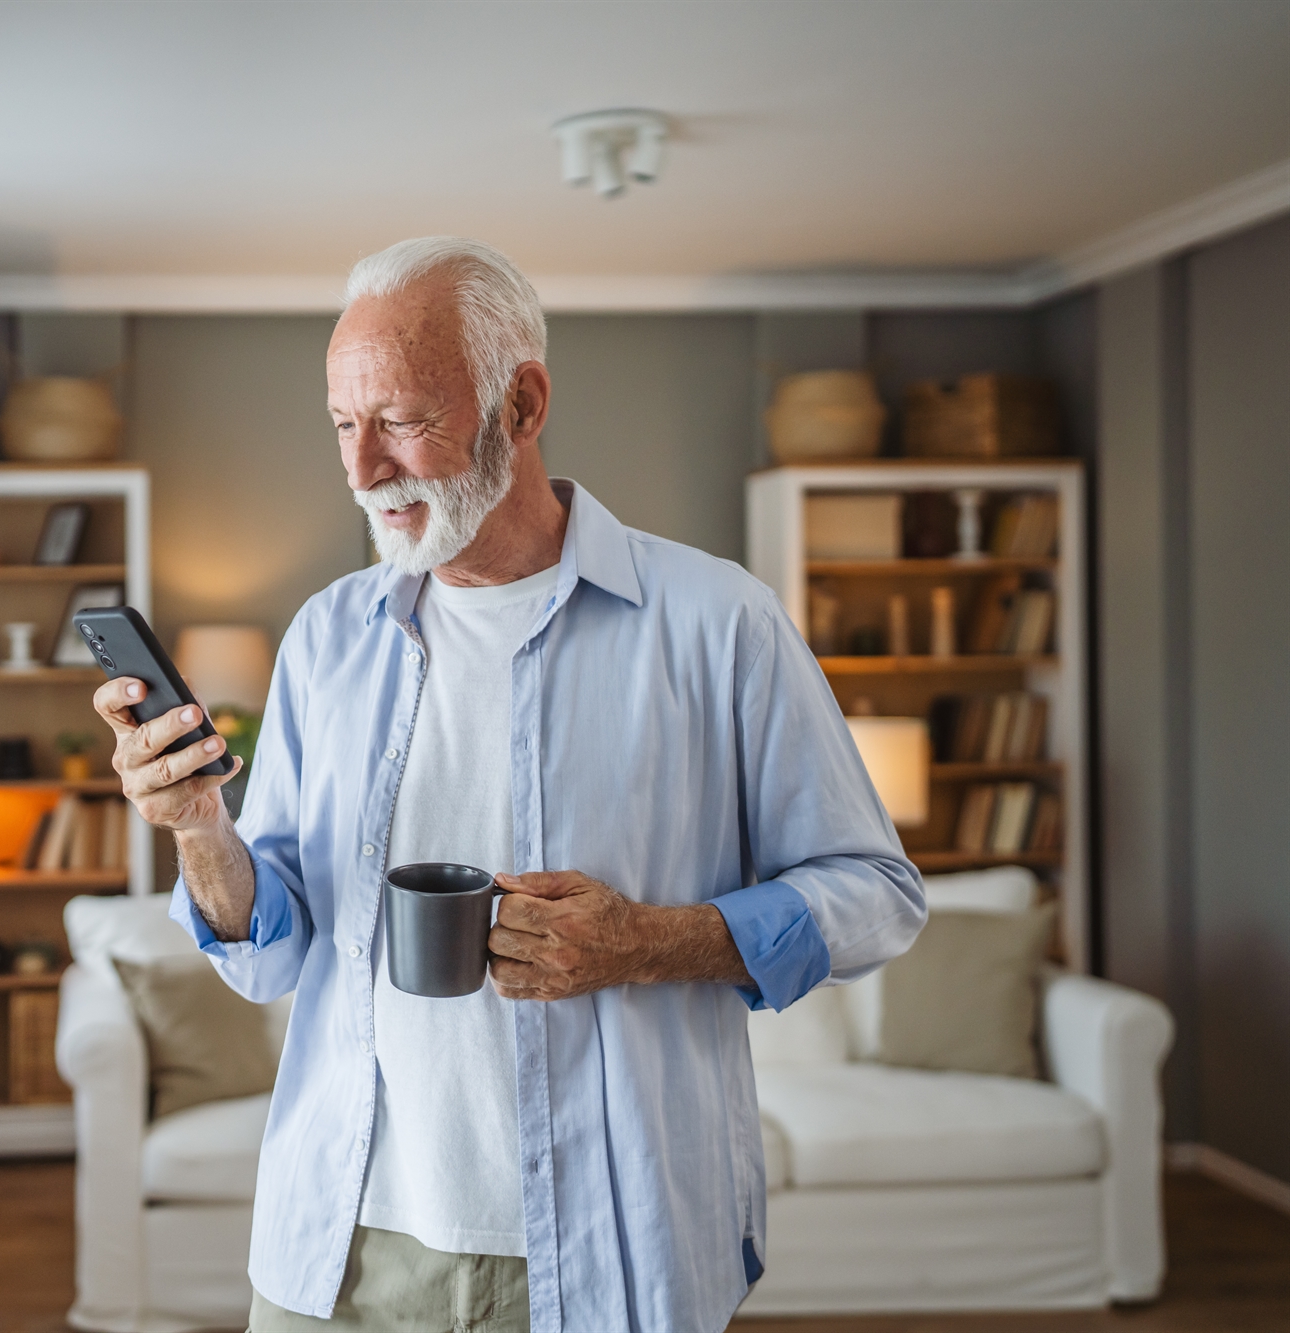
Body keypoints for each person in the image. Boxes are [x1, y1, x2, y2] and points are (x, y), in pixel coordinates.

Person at [91, 237, 925, 1333]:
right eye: (343, 425)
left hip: (614, 1246)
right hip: (338, 1246)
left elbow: (876, 894)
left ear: (519, 405)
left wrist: (648, 940)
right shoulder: (326, 637)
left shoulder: (716, 622)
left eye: (399, 420)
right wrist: (198, 828)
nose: (360, 469)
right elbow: (271, 956)